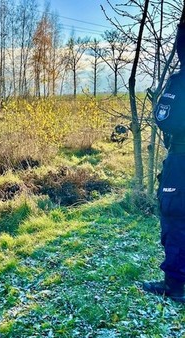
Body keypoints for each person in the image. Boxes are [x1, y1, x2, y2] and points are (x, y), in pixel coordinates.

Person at [143, 18, 185, 303]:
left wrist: (160, 102)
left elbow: (166, 119)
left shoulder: (179, 81)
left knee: (175, 216)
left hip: (181, 161)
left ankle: (175, 284)